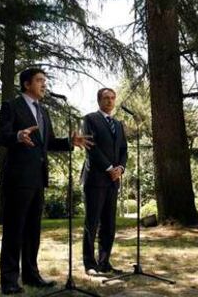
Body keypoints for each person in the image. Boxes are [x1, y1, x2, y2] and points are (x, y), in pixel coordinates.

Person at [0, 68, 92, 295]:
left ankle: (31, 275)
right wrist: (18, 136)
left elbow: (47, 142)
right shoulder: (11, 106)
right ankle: (9, 281)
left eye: (45, 81)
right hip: (18, 178)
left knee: (32, 230)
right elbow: (2, 136)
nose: (44, 84)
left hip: (38, 179)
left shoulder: (43, 111)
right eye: (40, 80)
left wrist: (70, 141)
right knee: (14, 230)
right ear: (26, 83)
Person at [81, 87, 128, 275]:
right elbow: (91, 147)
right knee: (92, 222)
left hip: (113, 181)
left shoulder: (118, 123)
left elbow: (124, 150)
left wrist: (121, 169)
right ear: (99, 100)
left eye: (112, 98)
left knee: (109, 224)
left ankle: (104, 262)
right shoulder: (90, 119)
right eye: (106, 98)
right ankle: (90, 265)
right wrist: (109, 168)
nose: (110, 101)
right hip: (96, 179)